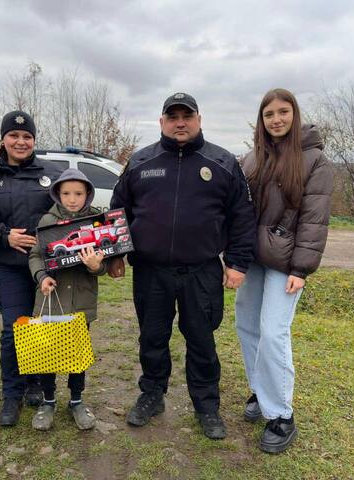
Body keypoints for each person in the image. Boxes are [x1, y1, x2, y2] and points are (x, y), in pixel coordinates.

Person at [109, 93, 256, 439]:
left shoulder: (222, 162)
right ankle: (152, 394)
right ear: (161, 122)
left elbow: (242, 217)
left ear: (198, 120)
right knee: (152, 337)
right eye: (172, 117)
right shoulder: (140, 162)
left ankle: (207, 406)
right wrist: (114, 255)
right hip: (150, 271)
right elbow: (118, 212)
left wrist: (237, 263)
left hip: (201, 270)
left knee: (202, 341)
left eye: (186, 116)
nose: (180, 123)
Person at [235, 88, 333, 453]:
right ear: (261, 120)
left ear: (294, 114)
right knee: (246, 325)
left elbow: (314, 219)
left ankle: (281, 415)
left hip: (287, 262)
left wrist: (301, 268)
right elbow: (237, 209)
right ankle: (260, 392)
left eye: (283, 112)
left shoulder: (314, 160)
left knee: (273, 332)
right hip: (253, 258)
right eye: (269, 114)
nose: (276, 119)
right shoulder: (252, 158)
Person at [0, 111, 63, 427]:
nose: (21, 142)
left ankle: (36, 383)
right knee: (13, 330)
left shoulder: (52, 174)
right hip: (9, 267)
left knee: (43, 327)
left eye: (27, 136)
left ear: (34, 140)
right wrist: (4, 236)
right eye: (14, 136)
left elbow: (70, 212)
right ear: (3, 139)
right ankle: (12, 394)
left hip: (46, 267)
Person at [27, 168, 105, 431]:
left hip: (81, 300)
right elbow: (36, 255)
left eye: (79, 194)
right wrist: (41, 277)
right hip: (52, 298)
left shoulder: (96, 221)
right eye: (67, 193)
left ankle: (76, 400)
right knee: (48, 353)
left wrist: (96, 266)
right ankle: (48, 401)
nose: (73, 199)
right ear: (58, 194)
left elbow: (106, 259)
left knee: (78, 354)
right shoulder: (47, 220)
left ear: (88, 194)